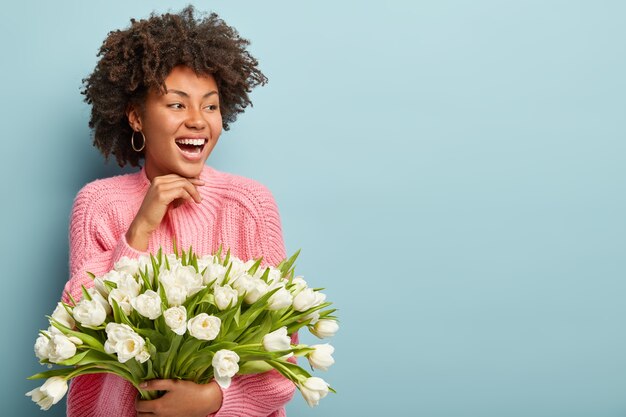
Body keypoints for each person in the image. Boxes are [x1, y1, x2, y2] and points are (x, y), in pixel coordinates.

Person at [61, 6, 296, 417]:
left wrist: (215, 400)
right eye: (176, 105)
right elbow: (79, 332)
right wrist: (140, 229)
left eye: (210, 106)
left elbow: (283, 352)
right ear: (136, 117)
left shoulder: (249, 205)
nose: (197, 122)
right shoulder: (99, 204)